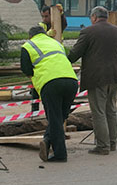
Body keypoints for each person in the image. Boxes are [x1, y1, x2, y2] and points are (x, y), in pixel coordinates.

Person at [67, 6, 117, 155]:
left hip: (97, 77)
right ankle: (112, 143)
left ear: (93, 17)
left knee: (98, 112)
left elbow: (75, 53)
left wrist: (63, 60)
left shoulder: (87, 31)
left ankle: (102, 146)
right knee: (111, 110)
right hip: (115, 76)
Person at [21, 25, 79, 163]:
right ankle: (47, 140)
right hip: (72, 81)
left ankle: (60, 154)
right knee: (60, 117)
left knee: (54, 119)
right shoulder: (56, 43)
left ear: (30, 36)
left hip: (50, 83)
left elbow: (26, 69)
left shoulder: (27, 46)